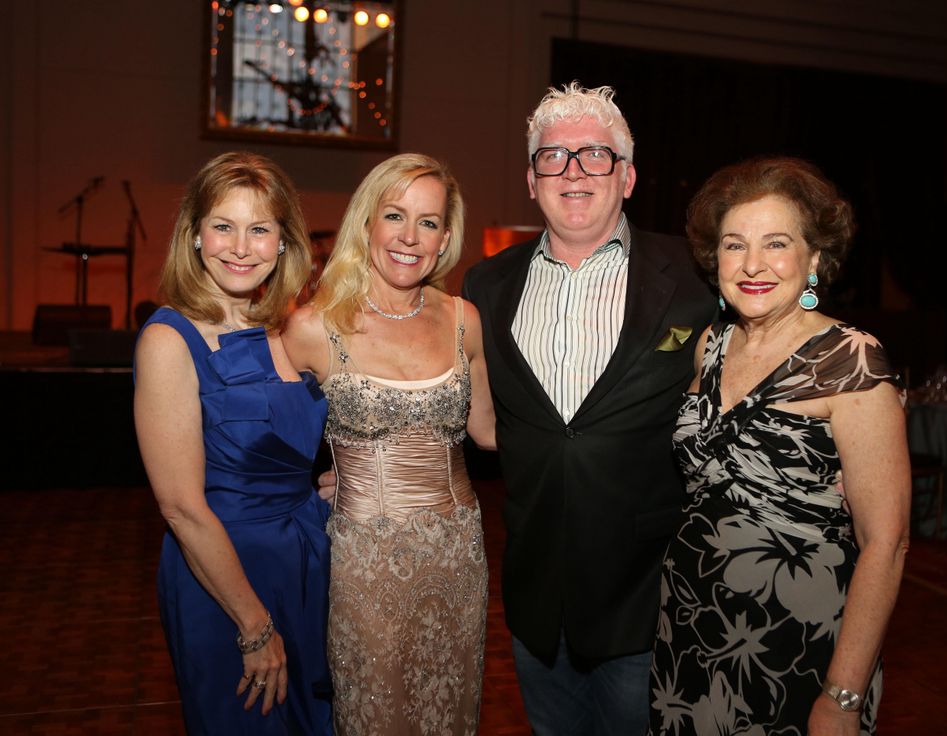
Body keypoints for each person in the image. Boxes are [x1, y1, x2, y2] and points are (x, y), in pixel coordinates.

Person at [461, 82, 716, 735]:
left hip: (650, 596)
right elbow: (462, 412)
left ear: (627, 177)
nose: (573, 170)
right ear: (530, 177)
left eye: (595, 155)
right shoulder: (485, 285)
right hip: (536, 597)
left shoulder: (694, 277)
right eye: (554, 156)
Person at [648, 156, 910, 736]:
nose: (753, 265)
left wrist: (843, 697)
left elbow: (885, 543)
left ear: (814, 259)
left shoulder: (851, 360)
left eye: (776, 243)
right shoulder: (710, 347)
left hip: (799, 643)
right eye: (734, 244)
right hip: (691, 629)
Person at [284, 153, 496, 736]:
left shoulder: (463, 319)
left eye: (427, 222)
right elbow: (264, 444)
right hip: (366, 562)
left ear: (445, 238)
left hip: (457, 555)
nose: (409, 237)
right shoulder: (312, 327)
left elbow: (490, 431)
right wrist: (312, 488)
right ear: (367, 223)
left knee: (449, 709)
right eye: (395, 216)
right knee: (376, 710)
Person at [134, 151, 332, 735]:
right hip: (222, 581)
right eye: (223, 226)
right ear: (194, 235)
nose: (240, 247)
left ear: (284, 242)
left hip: (305, 563)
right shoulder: (170, 340)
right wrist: (253, 625)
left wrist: (343, 473)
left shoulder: (292, 325)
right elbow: (180, 507)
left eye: (259, 229)